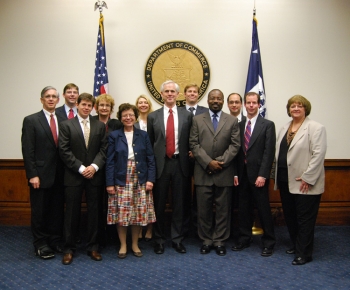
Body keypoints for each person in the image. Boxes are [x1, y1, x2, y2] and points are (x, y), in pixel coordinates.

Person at [274, 95, 327, 265]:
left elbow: (318, 155)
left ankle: (304, 253)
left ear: (306, 109)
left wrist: (308, 177)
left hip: (304, 182)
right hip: (285, 179)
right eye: (293, 106)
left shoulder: (316, 128)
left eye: (299, 106)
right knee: (291, 216)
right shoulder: (284, 128)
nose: (296, 108)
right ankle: (297, 245)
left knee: (305, 219)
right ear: (289, 109)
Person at [189, 89, 240, 256]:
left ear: (223, 101)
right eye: (213, 98)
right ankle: (206, 240)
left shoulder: (232, 120)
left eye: (219, 98)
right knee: (203, 209)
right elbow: (194, 144)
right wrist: (208, 162)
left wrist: (220, 162)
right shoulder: (197, 119)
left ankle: (219, 240)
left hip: (224, 172)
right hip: (203, 172)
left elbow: (235, 145)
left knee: (223, 209)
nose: (215, 101)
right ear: (208, 100)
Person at [59, 93, 107, 265]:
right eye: (84, 104)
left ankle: (93, 247)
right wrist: (80, 168)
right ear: (77, 105)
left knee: (95, 213)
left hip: (94, 175)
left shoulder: (99, 125)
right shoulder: (66, 125)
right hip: (73, 175)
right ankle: (69, 249)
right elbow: (64, 151)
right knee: (71, 213)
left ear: (92, 107)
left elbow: (104, 149)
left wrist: (94, 167)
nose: (86, 108)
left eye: (89, 105)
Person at [147, 80, 193, 254]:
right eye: (166, 91)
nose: (170, 94)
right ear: (161, 94)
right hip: (161, 165)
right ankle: (159, 240)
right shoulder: (153, 116)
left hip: (180, 163)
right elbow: (150, 143)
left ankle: (177, 239)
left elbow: (190, 140)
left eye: (173, 91)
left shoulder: (186, 115)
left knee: (179, 204)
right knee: (158, 203)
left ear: (178, 94)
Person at [106, 103, 156, 259]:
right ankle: (123, 245)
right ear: (120, 118)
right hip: (121, 177)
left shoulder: (143, 135)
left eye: (131, 115)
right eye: (125, 115)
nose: (128, 118)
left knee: (137, 213)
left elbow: (150, 159)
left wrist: (150, 179)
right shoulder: (114, 135)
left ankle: (134, 244)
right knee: (122, 213)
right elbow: (110, 161)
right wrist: (109, 183)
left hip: (140, 177)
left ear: (135, 117)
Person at [21, 86, 65, 259]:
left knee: (56, 211)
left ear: (58, 100)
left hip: (60, 175)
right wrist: (32, 174)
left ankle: (54, 241)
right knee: (40, 212)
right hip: (39, 175)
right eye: (48, 96)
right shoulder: (31, 120)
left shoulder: (63, 120)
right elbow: (28, 150)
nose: (51, 99)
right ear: (42, 100)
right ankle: (40, 244)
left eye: (54, 96)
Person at [232, 92, 276, 257]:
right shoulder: (239, 124)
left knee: (263, 210)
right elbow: (237, 152)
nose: (251, 105)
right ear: (244, 105)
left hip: (258, 176)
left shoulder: (267, 125)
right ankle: (245, 238)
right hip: (242, 175)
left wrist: (263, 175)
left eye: (254, 103)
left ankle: (269, 242)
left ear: (259, 105)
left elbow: (268, 152)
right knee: (243, 209)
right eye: (248, 103)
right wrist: (235, 174)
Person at [93, 94, 123, 247]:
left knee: (113, 203)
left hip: (113, 168)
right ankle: (98, 236)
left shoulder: (117, 124)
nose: (104, 108)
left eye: (107, 106)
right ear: (96, 107)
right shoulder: (91, 122)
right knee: (97, 204)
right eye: (101, 105)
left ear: (111, 108)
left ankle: (112, 235)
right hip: (95, 169)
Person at [134, 94, 154, 241]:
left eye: (145, 102)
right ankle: (139, 228)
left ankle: (150, 229)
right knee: (138, 199)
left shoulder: (154, 120)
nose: (143, 105)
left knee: (150, 198)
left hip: (152, 161)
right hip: (138, 164)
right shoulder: (133, 122)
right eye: (140, 103)